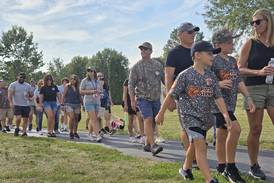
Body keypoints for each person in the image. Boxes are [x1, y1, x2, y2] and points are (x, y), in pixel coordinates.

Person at [156, 41, 232, 183]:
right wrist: (161, 112)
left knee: (194, 144)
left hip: (205, 117)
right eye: (209, 54)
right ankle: (209, 179)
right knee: (200, 144)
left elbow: (218, 96)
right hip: (189, 116)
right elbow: (171, 94)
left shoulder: (211, 76)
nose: (212, 57)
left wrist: (225, 114)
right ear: (197, 55)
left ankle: (185, 169)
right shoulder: (185, 75)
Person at [211, 29, 256, 183]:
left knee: (223, 135)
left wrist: (248, 96)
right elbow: (202, 80)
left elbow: (238, 81)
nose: (232, 44)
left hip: (230, 104)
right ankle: (231, 168)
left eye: (232, 41)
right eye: (228, 42)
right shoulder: (212, 60)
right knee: (235, 129)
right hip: (217, 105)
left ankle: (221, 166)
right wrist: (219, 83)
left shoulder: (231, 61)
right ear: (218, 44)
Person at [238, 8, 274, 180]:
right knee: (256, 129)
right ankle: (253, 165)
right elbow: (239, 69)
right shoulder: (250, 43)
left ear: (268, 21)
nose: (254, 25)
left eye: (258, 21)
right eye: (252, 22)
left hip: (273, 88)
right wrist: (259, 72)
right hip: (254, 89)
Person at [165, 22, 200, 167]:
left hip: (201, 95)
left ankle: (194, 154)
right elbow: (168, 77)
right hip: (183, 96)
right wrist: (170, 98)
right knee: (187, 127)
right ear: (180, 35)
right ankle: (192, 159)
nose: (193, 35)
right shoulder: (174, 53)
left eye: (194, 32)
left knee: (199, 126)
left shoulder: (198, 50)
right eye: (190, 32)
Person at [128, 42, 164, 155]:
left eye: (145, 49)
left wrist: (170, 93)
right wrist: (132, 100)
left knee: (153, 121)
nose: (143, 51)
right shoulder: (136, 67)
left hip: (156, 98)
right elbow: (131, 84)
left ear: (151, 51)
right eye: (141, 49)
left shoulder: (158, 65)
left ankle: (147, 144)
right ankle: (153, 145)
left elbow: (165, 80)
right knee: (147, 119)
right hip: (143, 98)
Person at [80, 67, 102, 142]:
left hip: (97, 101)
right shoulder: (84, 81)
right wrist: (92, 91)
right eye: (88, 71)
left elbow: (100, 90)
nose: (90, 72)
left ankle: (90, 134)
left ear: (94, 72)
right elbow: (81, 91)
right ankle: (97, 135)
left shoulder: (97, 81)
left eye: (91, 71)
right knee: (94, 119)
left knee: (94, 119)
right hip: (88, 102)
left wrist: (99, 92)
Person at [122, 79, 145, 143]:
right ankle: (131, 135)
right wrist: (125, 104)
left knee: (140, 117)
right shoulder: (127, 81)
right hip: (129, 102)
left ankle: (142, 136)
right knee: (131, 119)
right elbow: (125, 94)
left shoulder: (139, 80)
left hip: (138, 101)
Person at [62, 75, 82, 139]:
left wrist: (82, 104)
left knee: (76, 119)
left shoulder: (78, 87)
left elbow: (79, 96)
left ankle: (75, 132)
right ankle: (71, 132)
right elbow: (63, 95)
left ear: (76, 81)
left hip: (77, 105)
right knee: (72, 117)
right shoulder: (67, 86)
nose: (73, 80)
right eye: (72, 79)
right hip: (69, 104)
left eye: (74, 79)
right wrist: (62, 104)